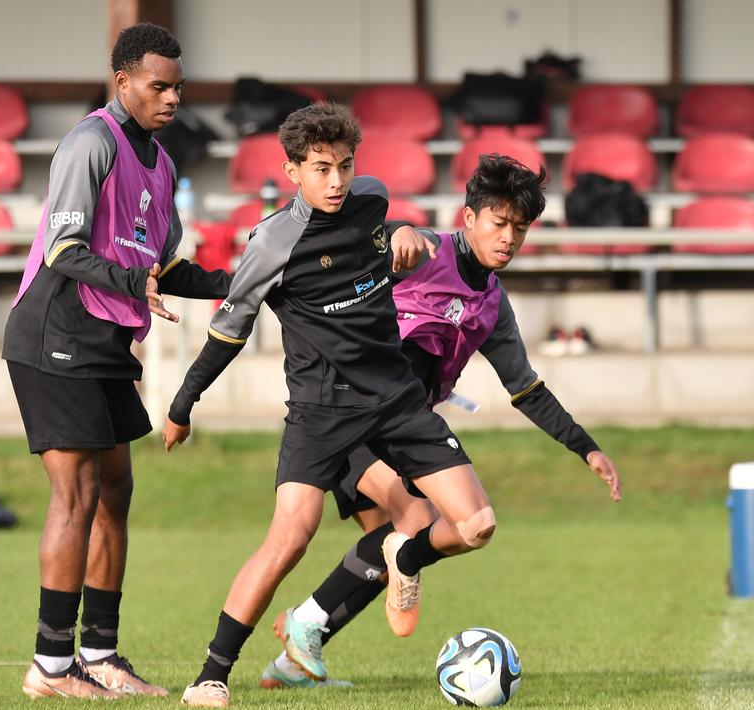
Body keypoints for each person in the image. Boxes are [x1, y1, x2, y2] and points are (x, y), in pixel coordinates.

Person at [164, 103, 503, 708]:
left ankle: (404, 553)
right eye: (321, 169)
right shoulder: (273, 240)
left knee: (477, 526)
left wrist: (407, 231)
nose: (337, 180)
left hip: (398, 402)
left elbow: (394, 234)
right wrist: (183, 403)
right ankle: (211, 676)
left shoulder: (371, 199)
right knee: (289, 539)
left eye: (345, 165)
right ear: (292, 170)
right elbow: (228, 329)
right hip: (321, 412)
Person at [259, 154, 623, 690]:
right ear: (469, 217)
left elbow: (525, 388)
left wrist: (586, 447)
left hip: (402, 428)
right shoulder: (425, 252)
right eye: (499, 223)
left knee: (390, 548)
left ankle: (294, 657)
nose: (509, 238)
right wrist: (397, 230)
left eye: (520, 229)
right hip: (342, 413)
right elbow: (355, 241)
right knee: (411, 526)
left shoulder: (492, 305)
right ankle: (300, 627)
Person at [2, 23, 230, 699]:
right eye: (158, 86)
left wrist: (239, 283)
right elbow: (63, 250)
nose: (172, 98)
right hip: (54, 333)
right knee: (75, 496)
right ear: (123, 81)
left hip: (104, 344)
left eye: (178, 87)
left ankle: (100, 655)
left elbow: (164, 266)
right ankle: (50, 667)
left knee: (116, 492)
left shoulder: (162, 163)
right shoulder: (90, 142)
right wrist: (137, 282)